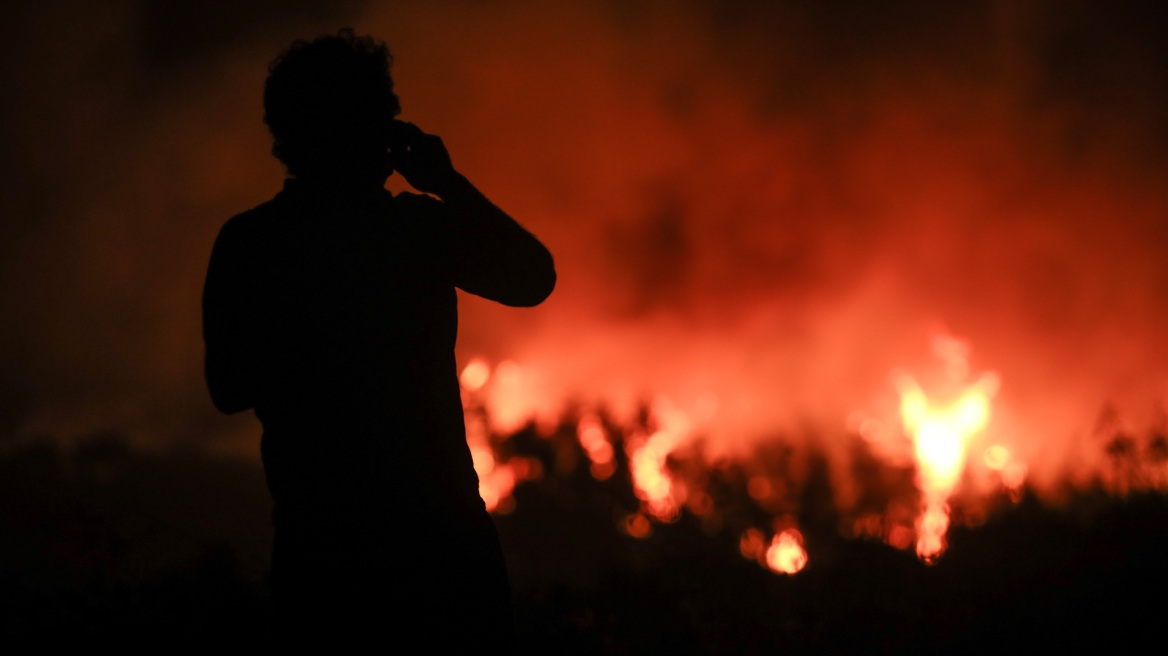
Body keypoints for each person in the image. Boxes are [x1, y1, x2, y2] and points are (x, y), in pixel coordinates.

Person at [201, 29, 555, 645]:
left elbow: (228, 386)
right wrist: (447, 182)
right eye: (383, 111)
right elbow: (531, 275)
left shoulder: (252, 242)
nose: (395, 125)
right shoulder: (410, 233)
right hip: (437, 546)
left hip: (324, 550)